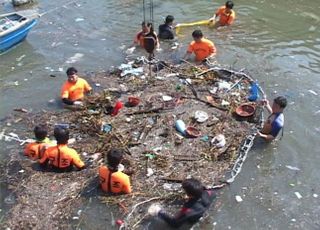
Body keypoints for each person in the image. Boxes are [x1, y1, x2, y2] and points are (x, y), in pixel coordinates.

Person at [149, 178, 217, 228]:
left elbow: (175, 224)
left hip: (194, 220)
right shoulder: (210, 192)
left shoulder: (188, 209)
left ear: (190, 195)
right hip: (205, 211)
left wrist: (159, 212)